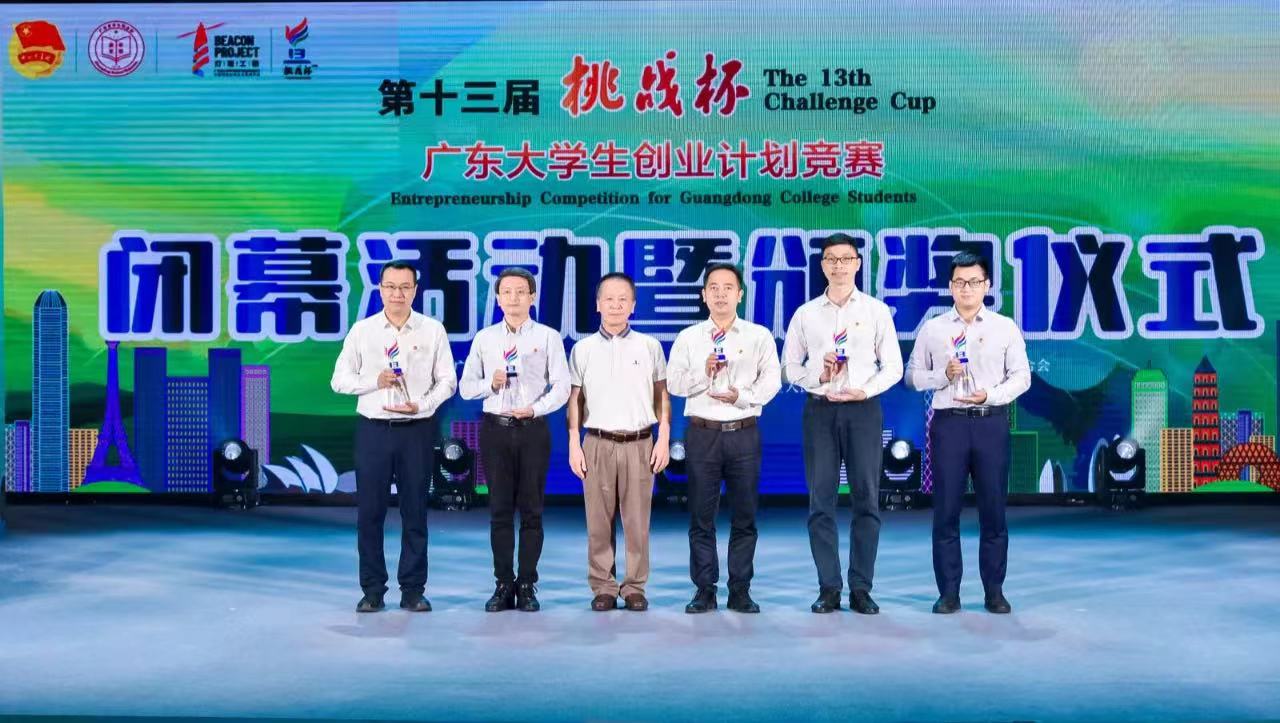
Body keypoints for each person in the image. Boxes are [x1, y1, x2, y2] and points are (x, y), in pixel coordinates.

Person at [782, 233, 903, 614]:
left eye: (846, 259)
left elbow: (894, 367)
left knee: (867, 498)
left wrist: (865, 390)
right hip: (820, 410)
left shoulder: (875, 311)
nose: (838, 266)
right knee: (821, 500)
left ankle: (861, 588)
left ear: (858, 264)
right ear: (822, 265)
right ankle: (829, 588)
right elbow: (789, 367)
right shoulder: (806, 314)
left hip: (863, 411)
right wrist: (818, 376)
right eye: (831, 259)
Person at [905, 251, 1030, 614]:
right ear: (950, 286)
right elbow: (911, 377)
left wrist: (990, 395)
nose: (966, 288)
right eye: (959, 282)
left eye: (974, 282)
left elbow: (1022, 377)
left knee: (994, 510)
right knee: (946, 511)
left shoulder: (1004, 327)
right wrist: (941, 375)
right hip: (949, 424)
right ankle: (949, 593)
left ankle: (994, 591)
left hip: (991, 421)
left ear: (987, 285)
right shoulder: (934, 329)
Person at [330, 261, 456, 613]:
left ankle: (413, 590)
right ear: (380, 289)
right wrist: (374, 381)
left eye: (404, 287)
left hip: (416, 430)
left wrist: (422, 405)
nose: (397, 293)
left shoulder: (432, 330)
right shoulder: (363, 331)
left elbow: (447, 381)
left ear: (415, 290)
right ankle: (372, 590)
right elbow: (338, 380)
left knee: (415, 512)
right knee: (370, 513)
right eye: (390, 286)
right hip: (374, 430)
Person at [666, 263, 781, 613]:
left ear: (740, 294)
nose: (720, 294)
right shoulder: (689, 338)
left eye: (728, 287)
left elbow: (771, 382)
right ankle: (704, 589)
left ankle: (740, 589)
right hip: (703, 434)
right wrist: (704, 375)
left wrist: (740, 397)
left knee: (744, 515)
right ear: (703, 295)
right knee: (701, 516)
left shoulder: (758, 336)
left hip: (743, 432)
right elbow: (674, 384)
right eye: (713, 288)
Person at [459, 268, 570, 612]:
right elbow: (466, 388)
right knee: (499, 510)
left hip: (532, 429)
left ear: (532, 297)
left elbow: (562, 386)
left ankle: (527, 584)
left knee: (532, 510)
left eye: (521, 291)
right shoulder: (485, 339)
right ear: (497, 298)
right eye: (506, 292)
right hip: (495, 429)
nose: (513, 298)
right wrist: (490, 385)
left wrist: (536, 409)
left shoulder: (548, 337)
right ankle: (503, 583)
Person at [566, 272, 670, 612]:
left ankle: (635, 586)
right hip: (597, 442)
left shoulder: (649, 346)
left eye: (623, 299)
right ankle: (604, 587)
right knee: (598, 521)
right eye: (608, 299)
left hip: (640, 442)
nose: (615, 305)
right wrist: (574, 442)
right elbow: (575, 400)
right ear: (597, 304)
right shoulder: (582, 349)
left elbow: (661, 395)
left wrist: (663, 438)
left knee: (637, 522)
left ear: (633, 305)